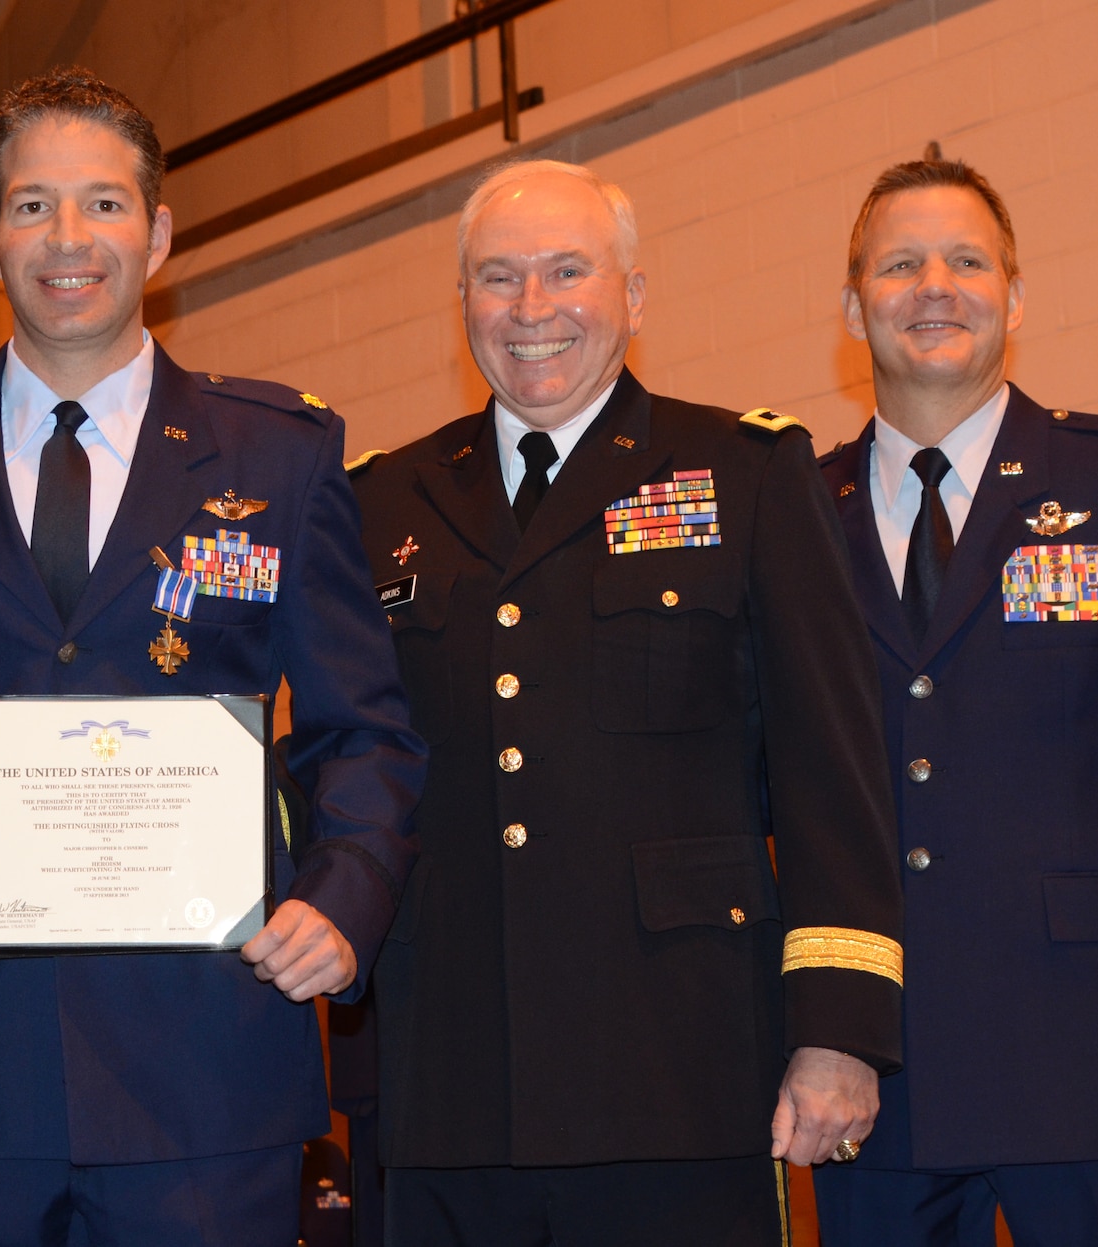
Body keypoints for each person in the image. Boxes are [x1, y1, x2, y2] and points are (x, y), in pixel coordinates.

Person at [0, 68, 424, 1247]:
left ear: (159, 231)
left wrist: (343, 903)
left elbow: (364, 727)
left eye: (102, 203)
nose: (68, 239)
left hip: (208, 1062)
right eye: (32, 206)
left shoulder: (279, 454)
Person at [347, 158, 905, 1246]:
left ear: (632, 296)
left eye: (566, 271)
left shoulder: (741, 470)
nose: (531, 308)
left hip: (675, 1065)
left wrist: (839, 1026)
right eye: (497, 278)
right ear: (462, 303)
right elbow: (347, 758)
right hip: (449, 1074)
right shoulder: (378, 500)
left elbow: (830, 770)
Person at [810, 150, 1098, 1247]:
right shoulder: (796, 508)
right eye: (899, 263)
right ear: (850, 304)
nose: (933, 285)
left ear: (1013, 297)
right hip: (876, 1067)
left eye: (966, 260)